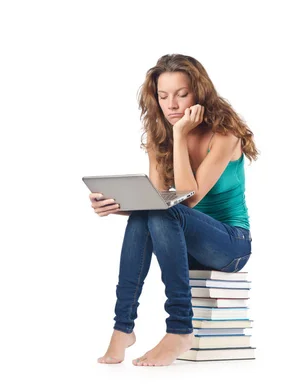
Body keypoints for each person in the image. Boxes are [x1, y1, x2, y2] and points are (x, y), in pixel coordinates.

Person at [90, 54, 258, 367]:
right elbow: (156, 205)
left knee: (165, 210)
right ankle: (122, 328)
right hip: (183, 241)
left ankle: (180, 328)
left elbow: (187, 200)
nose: (172, 105)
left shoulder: (225, 135)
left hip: (230, 244)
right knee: (146, 213)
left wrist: (180, 135)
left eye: (182, 95)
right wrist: (115, 207)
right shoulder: (159, 137)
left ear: (199, 94)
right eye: (163, 96)